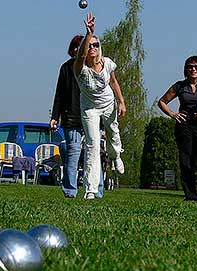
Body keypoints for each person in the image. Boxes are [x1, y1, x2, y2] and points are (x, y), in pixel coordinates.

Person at [73, 13, 126, 200]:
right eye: (90, 45)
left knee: (113, 134)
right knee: (93, 146)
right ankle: (90, 189)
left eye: (96, 44)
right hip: (89, 109)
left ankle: (116, 156)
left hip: (108, 104)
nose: (93, 48)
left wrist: (121, 102)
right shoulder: (80, 68)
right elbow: (80, 55)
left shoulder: (107, 63)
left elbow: (114, 82)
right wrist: (89, 34)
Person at [158, 55, 197, 202]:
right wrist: (173, 114)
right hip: (184, 127)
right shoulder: (180, 86)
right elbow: (162, 102)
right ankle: (191, 195)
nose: (193, 69)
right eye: (190, 67)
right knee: (186, 162)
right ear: (186, 69)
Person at [50, 35, 104, 199]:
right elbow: (59, 93)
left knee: (94, 153)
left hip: (91, 115)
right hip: (71, 116)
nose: (77, 49)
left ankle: (97, 190)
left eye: (81, 46)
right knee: (72, 153)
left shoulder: (94, 67)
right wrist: (55, 116)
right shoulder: (66, 68)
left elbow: (101, 94)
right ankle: (70, 191)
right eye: (75, 47)